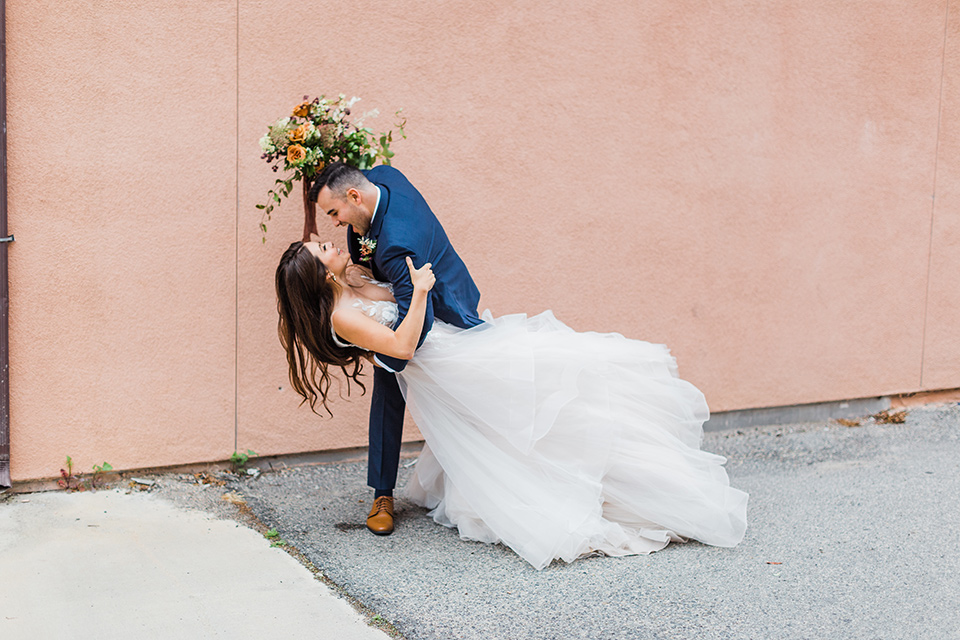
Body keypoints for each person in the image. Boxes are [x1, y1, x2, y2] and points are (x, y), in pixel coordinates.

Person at [276, 245, 749, 571]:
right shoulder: (342, 316)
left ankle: (626, 475)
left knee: (538, 397)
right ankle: (602, 484)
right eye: (323, 250)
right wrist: (418, 290)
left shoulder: (351, 285)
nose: (330, 244)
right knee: (542, 389)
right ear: (321, 274)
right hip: (442, 363)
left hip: (452, 347)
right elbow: (400, 346)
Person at [303, 162, 483, 536]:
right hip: (396, 304)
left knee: (468, 398)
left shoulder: (399, 241)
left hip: (438, 311)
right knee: (387, 397)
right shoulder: (382, 177)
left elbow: (416, 322)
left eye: (334, 213)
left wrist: (380, 354)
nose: (335, 224)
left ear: (354, 198)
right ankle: (382, 494)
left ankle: (483, 479)